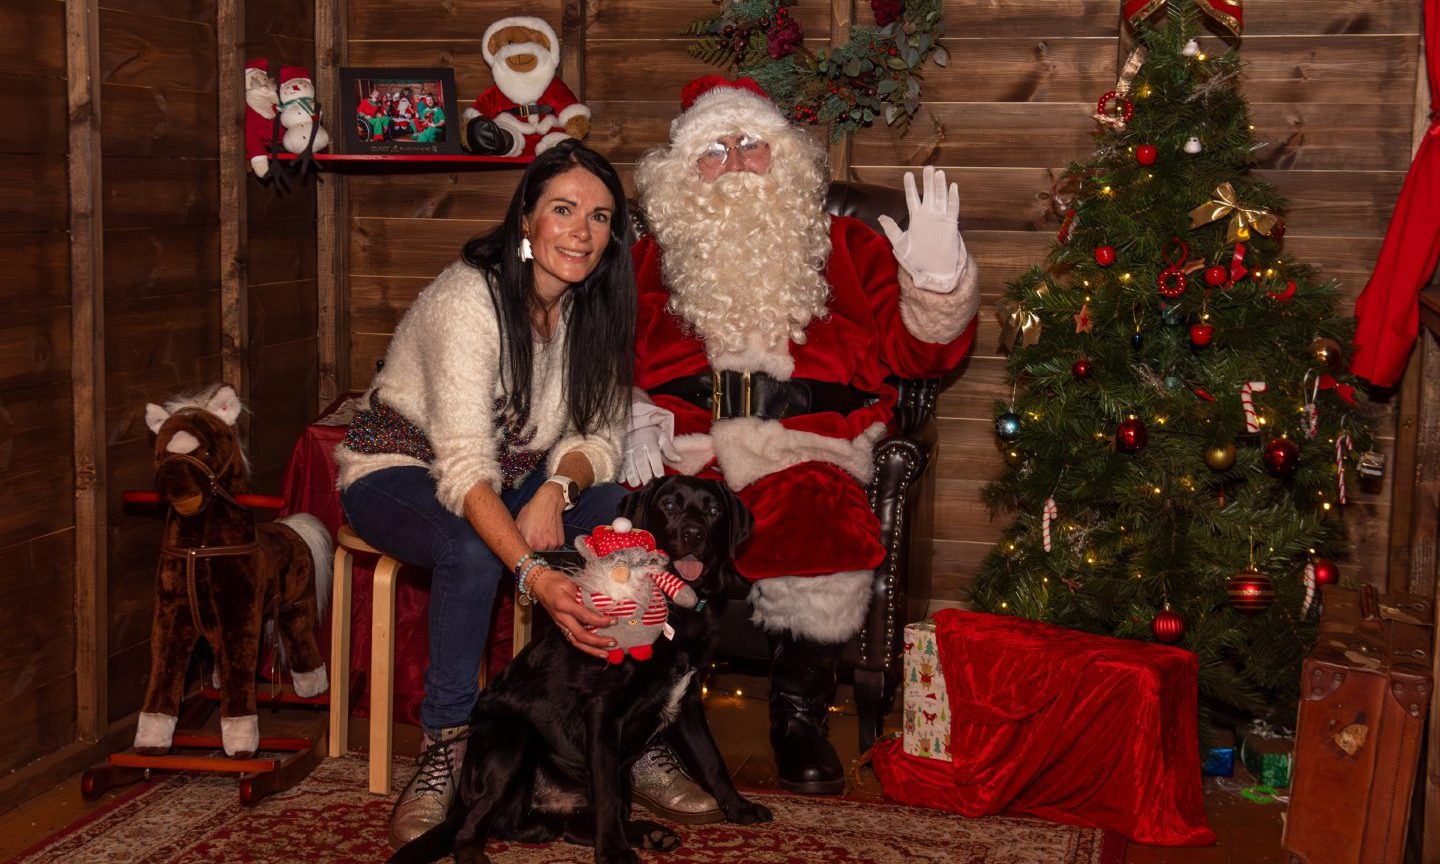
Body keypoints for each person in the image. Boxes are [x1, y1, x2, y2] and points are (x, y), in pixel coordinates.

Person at [625, 76, 979, 797]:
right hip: (681, 448)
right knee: (625, 518)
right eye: (714, 152)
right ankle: (650, 718)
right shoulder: (649, 262)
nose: (735, 163)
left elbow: (921, 360)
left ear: (784, 159)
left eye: (752, 145)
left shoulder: (849, 246)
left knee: (818, 512)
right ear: (684, 177)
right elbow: (602, 357)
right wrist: (623, 411)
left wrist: (938, 286)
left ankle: (797, 718)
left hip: (807, 446)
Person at [335, 139, 635, 847]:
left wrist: (558, 487)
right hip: (398, 467)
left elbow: (602, 439)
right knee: (471, 548)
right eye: (563, 210)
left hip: (517, 472)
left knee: (619, 506)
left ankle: (625, 723)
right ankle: (447, 745)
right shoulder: (468, 298)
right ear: (526, 219)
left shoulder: (593, 308)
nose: (582, 232)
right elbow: (465, 468)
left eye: (599, 217)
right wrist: (531, 573)